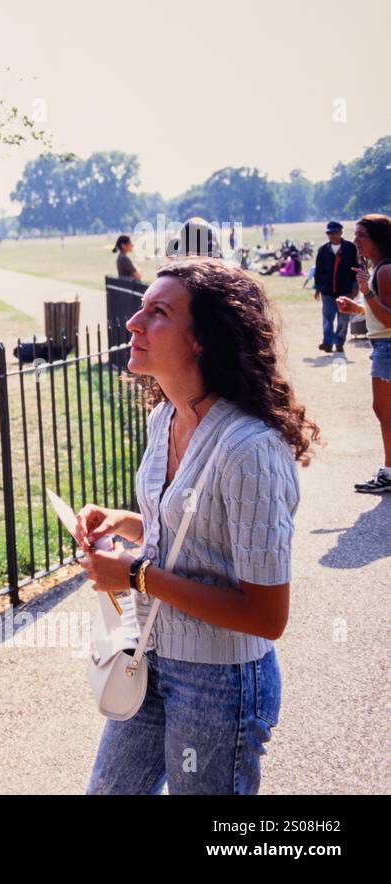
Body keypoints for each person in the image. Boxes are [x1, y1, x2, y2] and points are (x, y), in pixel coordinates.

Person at [77, 219, 318, 795]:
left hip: (222, 682)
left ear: (202, 337)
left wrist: (135, 573)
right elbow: (192, 530)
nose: (133, 321)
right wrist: (125, 522)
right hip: (154, 654)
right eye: (141, 308)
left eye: (158, 312)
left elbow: (266, 617)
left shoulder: (250, 450)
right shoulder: (166, 417)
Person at [335, 214, 391, 493]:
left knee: (385, 412)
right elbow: (379, 311)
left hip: (387, 347)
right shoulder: (379, 268)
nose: (355, 240)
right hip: (383, 345)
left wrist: (366, 292)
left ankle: (389, 472)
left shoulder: (384, 271)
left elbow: (390, 319)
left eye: (361, 235)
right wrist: (356, 308)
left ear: (377, 238)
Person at [313, 220, 359, 353]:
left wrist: (355, 286)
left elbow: (356, 267)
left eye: (335, 233)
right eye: (329, 233)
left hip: (345, 289)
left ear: (341, 233)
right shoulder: (323, 250)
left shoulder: (350, 248)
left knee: (343, 318)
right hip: (327, 290)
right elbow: (318, 270)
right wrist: (317, 288)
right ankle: (327, 343)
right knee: (327, 317)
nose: (332, 236)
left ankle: (339, 342)